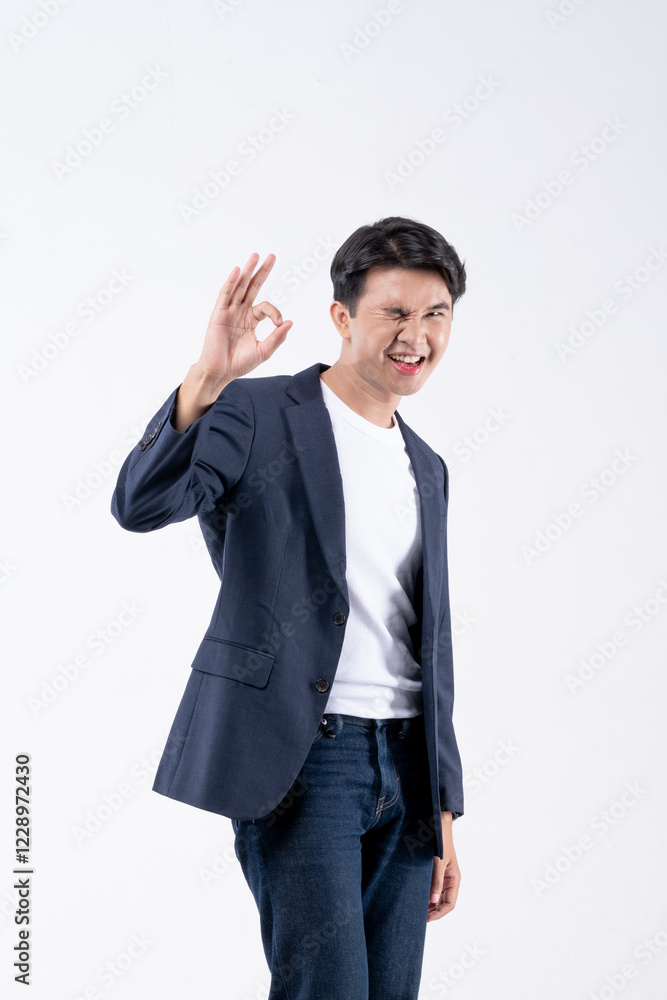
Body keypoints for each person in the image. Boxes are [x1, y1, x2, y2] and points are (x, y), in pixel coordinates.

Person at [110, 215, 467, 999]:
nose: (416, 335)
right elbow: (140, 505)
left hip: (405, 770)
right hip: (305, 759)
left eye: (435, 315)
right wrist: (206, 381)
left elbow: (426, 647)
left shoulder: (428, 466)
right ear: (342, 318)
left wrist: (442, 805)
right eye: (395, 313)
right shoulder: (259, 412)